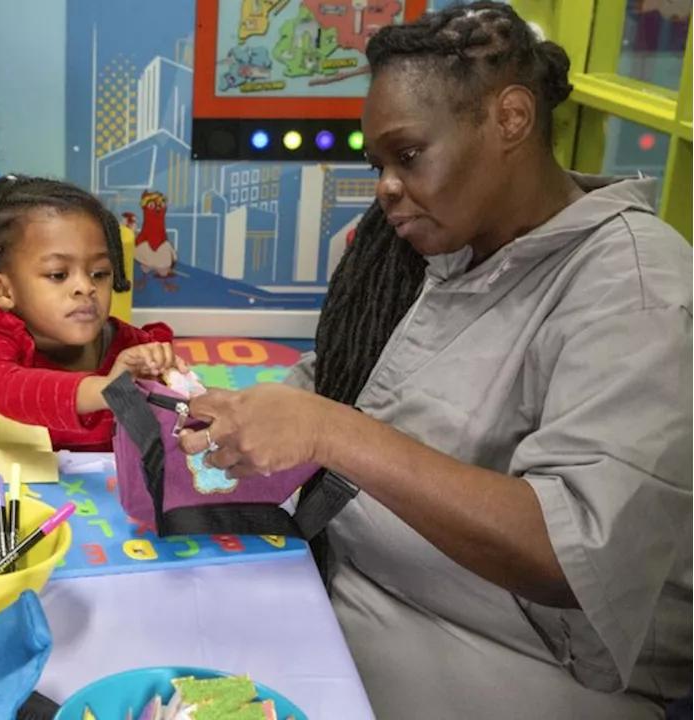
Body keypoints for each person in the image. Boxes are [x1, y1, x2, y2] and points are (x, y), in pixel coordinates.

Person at [178, 4, 693, 718]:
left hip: (509, 659)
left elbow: (568, 553)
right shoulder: (428, 248)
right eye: (378, 164)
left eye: (408, 155)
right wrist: (230, 407)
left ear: (510, 119)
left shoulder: (637, 291)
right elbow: (344, 380)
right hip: (342, 582)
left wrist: (331, 431)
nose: (386, 186)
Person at [0, 176, 186, 452]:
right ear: (4, 290)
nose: (86, 287)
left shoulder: (130, 349)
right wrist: (108, 390)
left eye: (99, 273)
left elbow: (152, 442)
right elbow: (5, 387)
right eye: (58, 274)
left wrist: (168, 388)